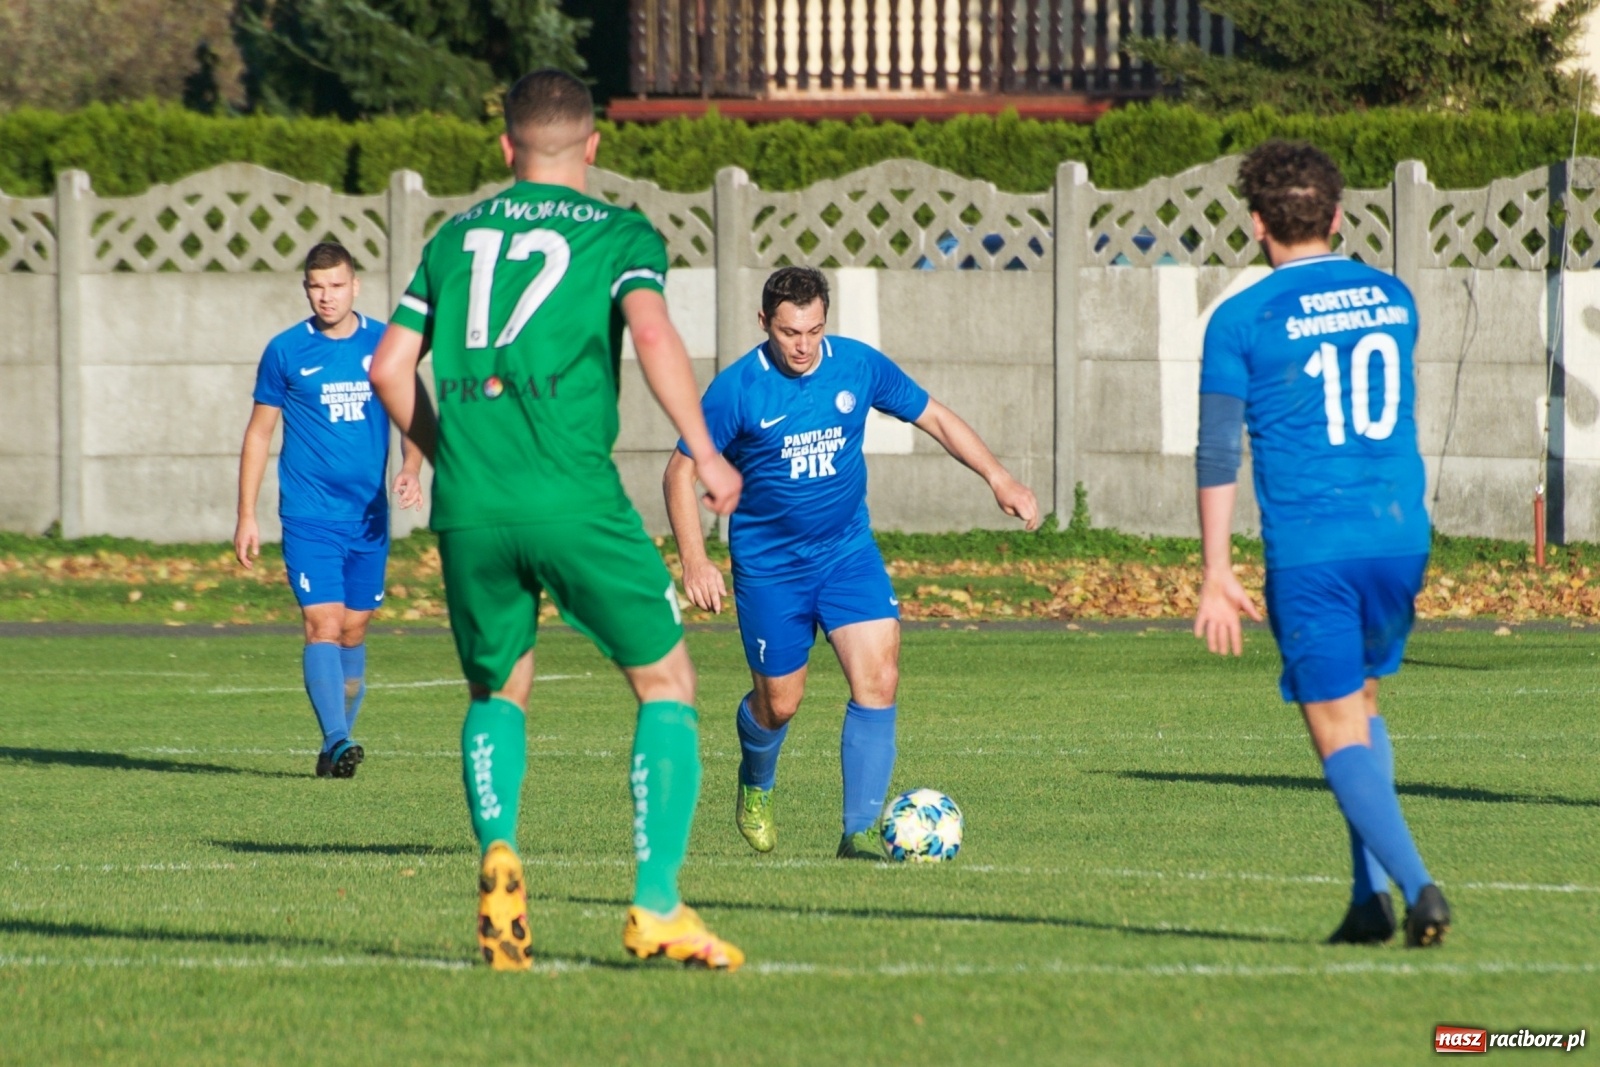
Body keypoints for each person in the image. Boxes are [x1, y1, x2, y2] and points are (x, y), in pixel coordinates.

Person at [369, 69, 745, 972]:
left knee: (499, 689)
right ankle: (656, 905)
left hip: (470, 508)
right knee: (668, 682)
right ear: (594, 145)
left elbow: (387, 368)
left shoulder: (454, 238)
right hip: (574, 496)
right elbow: (652, 336)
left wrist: (446, 449)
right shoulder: (620, 233)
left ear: (504, 148)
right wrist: (705, 449)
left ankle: (500, 852)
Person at [664, 266, 1039, 860]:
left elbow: (934, 416)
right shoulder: (736, 391)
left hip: (846, 554)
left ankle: (859, 832)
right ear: (764, 323)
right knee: (779, 703)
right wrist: (694, 560)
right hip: (770, 570)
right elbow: (679, 470)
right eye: (789, 332)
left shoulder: (857, 365)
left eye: (813, 330)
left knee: (879, 678)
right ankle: (756, 780)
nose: (803, 346)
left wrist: (999, 477)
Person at [1192, 140, 1450, 948]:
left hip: (1314, 544)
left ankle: (1419, 888)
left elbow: (1215, 450)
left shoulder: (1239, 318)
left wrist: (1214, 571)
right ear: (1338, 217)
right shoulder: (1394, 296)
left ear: (1257, 223)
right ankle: (1365, 901)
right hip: (1400, 534)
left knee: (1334, 726)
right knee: (1364, 702)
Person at [235, 242, 424, 779]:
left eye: (336, 285)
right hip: (308, 515)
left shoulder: (386, 343)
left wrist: (410, 468)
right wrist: (246, 514)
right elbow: (258, 434)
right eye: (317, 287)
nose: (327, 296)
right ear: (306, 289)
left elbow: (414, 419)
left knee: (354, 630)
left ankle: (331, 752)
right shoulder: (285, 351)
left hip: (368, 517)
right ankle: (339, 740)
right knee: (323, 624)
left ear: (355, 286)